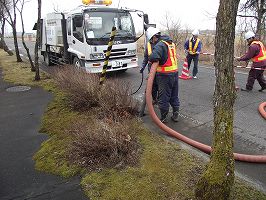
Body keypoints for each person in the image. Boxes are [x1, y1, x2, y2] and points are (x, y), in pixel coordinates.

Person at [147, 27, 180, 123]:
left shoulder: (160, 45)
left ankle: (163, 117)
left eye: (151, 40)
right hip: (174, 73)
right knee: (174, 94)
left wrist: (151, 59)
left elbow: (154, 57)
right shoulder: (170, 43)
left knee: (164, 97)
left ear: (154, 37)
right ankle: (175, 114)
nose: (152, 42)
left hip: (164, 75)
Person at [140, 27, 159, 104]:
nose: (154, 39)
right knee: (153, 85)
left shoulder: (161, 44)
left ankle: (159, 99)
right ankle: (155, 99)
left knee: (160, 85)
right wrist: (142, 67)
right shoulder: (148, 45)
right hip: (150, 68)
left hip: (159, 69)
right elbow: (146, 57)